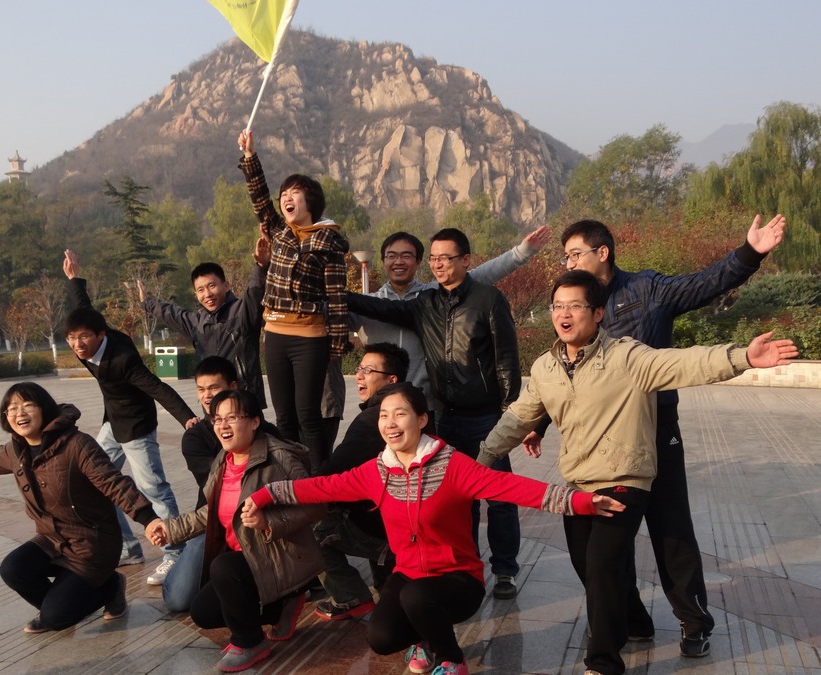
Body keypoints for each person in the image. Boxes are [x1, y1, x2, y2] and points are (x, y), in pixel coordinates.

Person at [478, 269, 798, 675]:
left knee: (601, 566)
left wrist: (743, 357)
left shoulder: (627, 357)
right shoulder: (546, 368)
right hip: (578, 484)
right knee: (587, 566)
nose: (564, 314)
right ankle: (635, 623)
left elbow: (684, 363)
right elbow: (518, 418)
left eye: (575, 305)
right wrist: (479, 460)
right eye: (557, 306)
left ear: (598, 313)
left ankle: (603, 662)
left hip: (625, 479)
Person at [243, 382, 626, 675]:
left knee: (416, 598)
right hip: (410, 575)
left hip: (458, 579)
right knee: (381, 637)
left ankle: (452, 659)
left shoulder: (453, 466)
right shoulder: (377, 472)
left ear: (422, 419)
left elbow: (513, 488)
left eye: (400, 414)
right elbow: (321, 487)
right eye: (383, 415)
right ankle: (425, 639)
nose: (390, 423)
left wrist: (581, 501)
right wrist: (266, 495)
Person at [347, 228, 524, 599]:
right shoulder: (425, 303)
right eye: (435, 259)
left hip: (486, 416)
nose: (439, 265)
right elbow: (382, 308)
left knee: (498, 495)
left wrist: (510, 414)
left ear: (466, 260)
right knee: (458, 496)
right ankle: (468, 565)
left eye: (447, 258)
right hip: (445, 416)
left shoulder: (488, 299)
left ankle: (505, 569)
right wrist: (338, 295)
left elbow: (507, 359)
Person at [0, 382, 162, 634]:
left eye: (28, 405)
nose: (19, 413)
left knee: (56, 618)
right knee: (12, 569)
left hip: (92, 545)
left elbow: (114, 483)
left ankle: (109, 588)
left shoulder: (77, 444)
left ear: (44, 408)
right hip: (52, 540)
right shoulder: (16, 450)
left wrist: (148, 518)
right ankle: (61, 605)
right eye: (12, 408)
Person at [146, 390, 324, 673]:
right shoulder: (223, 460)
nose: (223, 425)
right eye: (217, 419)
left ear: (254, 421)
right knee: (203, 612)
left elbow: (316, 504)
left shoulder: (279, 457)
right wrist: (171, 529)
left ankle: (250, 642)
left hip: (279, 557)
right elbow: (211, 512)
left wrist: (269, 522)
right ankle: (281, 607)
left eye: (232, 417)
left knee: (223, 566)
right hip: (247, 560)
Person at [63, 249, 199, 586]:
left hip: (136, 426)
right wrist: (74, 279)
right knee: (96, 481)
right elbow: (83, 308)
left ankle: (175, 553)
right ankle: (127, 548)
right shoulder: (89, 334)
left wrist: (188, 419)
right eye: (72, 339)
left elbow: (156, 387)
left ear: (100, 336)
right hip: (112, 422)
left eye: (84, 338)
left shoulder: (123, 358)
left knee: (153, 489)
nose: (78, 345)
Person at [238, 128, 352, 471]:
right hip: (275, 334)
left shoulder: (328, 243)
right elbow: (260, 198)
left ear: (311, 202)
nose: (286, 198)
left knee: (308, 414)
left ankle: (319, 484)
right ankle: (290, 475)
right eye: (284, 194)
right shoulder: (280, 233)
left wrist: (336, 344)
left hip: (310, 337)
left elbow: (338, 298)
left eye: (295, 193)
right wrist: (250, 157)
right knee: (284, 416)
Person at [355, 226, 550, 411]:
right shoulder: (366, 305)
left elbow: (480, 275)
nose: (398, 261)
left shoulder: (432, 297)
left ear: (419, 261)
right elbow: (337, 324)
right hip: (380, 406)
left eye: (406, 256)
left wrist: (522, 252)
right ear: (383, 261)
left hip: (428, 405)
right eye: (391, 256)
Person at [163, 356, 280, 613]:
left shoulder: (265, 431)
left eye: (214, 388)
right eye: (201, 389)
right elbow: (221, 485)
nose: (206, 396)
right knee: (177, 600)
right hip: (212, 520)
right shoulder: (195, 437)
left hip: (256, 519)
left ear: (233, 387)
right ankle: (184, 562)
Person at [312, 343, 419, 621]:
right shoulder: (416, 410)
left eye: (368, 370)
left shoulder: (374, 419)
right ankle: (387, 586)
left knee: (308, 527)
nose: (359, 375)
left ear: (391, 380)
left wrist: (293, 491)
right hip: (408, 526)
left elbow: (334, 471)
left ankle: (351, 597)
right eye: (359, 369)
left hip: (385, 530)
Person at [138, 237, 270, 407]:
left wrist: (260, 267)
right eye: (201, 290)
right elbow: (171, 314)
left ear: (226, 286)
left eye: (212, 286)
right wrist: (147, 302)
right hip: (212, 405)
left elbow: (255, 291)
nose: (207, 294)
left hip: (244, 402)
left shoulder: (243, 313)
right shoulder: (197, 323)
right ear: (196, 294)